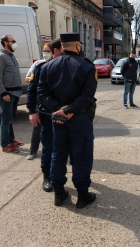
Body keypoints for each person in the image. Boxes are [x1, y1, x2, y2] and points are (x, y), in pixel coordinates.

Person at [37, 33, 97, 208]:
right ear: (78, 45)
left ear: (62, 46)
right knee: (82, 155)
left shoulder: (47, 67)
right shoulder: (87, 67)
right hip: (79, 117)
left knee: (58, 153)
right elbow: (87, 95)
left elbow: (42, 93)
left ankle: (59, 193)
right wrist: (69, 110)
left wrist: (58, 109)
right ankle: (82, 195)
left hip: (57, 118)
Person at [26, 39, 62, 192]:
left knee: (63, 147)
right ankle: (46, 177)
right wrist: (32, 111)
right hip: (46, 113)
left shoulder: (70, 66)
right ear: (57, 50)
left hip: (65, 114)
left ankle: (62, 177)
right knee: (48, 146)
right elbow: (32, 90)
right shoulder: (40, 67)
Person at [0, 34, 24, 153]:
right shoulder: (1, 57)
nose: (15, 43)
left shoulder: (11, 55)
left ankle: (11, 139)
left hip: (15, 92)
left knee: (11, 117)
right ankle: (5, 144)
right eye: (13, 41)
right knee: (6, 119)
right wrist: (3, 93)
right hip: (7, 93)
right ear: (6, 43)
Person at [25, 44, 52, 160]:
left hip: (52, 102)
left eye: (48, 51)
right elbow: (28, 79)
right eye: (44, 51)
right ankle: (33, 151)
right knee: (38, 127)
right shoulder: (38, 64)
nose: (45, 53)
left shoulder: (58, 63)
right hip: (39, 101)